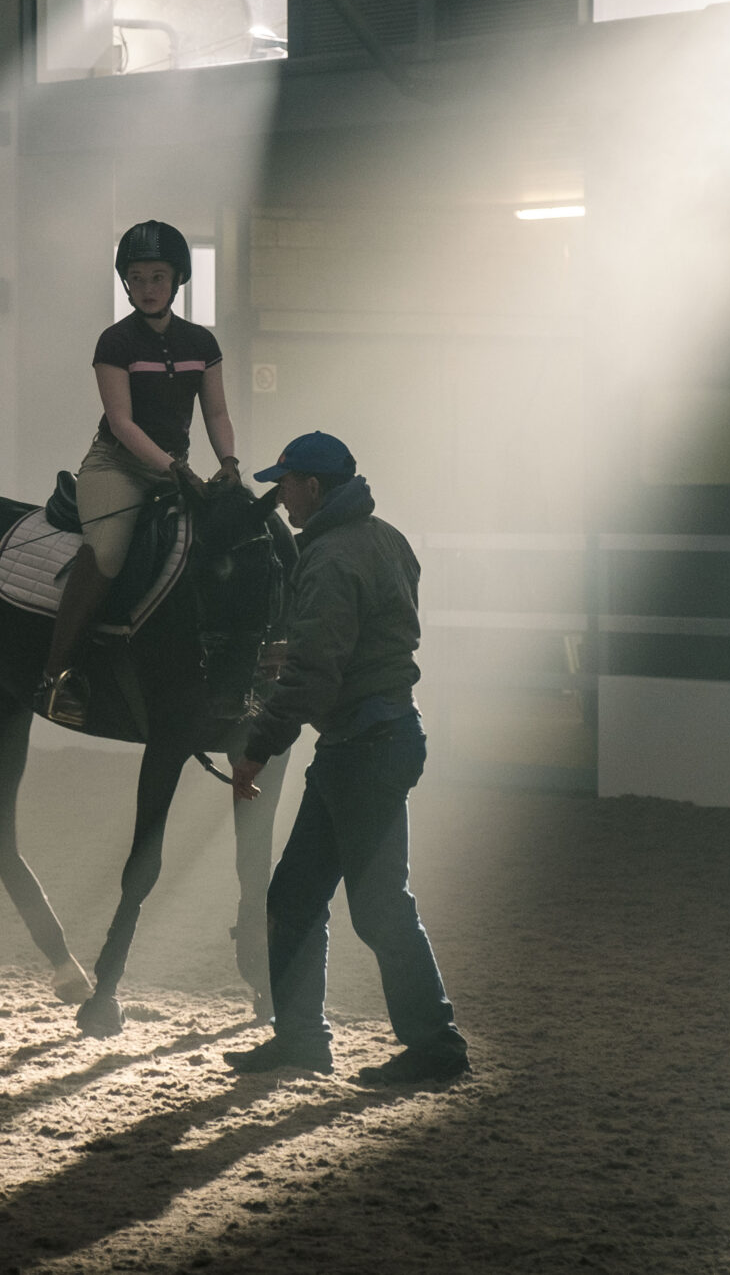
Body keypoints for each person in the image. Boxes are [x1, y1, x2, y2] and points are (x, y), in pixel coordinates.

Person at [223, 431, 468, 1087]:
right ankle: (304, 1039)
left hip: (361, 746)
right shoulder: (386, 538)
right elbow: (369, 639)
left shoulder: (329, 557)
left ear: (314, 487)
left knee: (371, 904)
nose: (280, 497)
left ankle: (434, 1047)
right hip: (376, 739)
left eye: (287, 484)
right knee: (301, 898)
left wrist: (257, 746)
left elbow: (315, 676)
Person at [38, 221, 240, 723]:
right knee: (107, 550)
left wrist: (230, 464)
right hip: (119, 466)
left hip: (176, 469)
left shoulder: (202, 342)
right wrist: (176, 468)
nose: (147, 288)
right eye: (137, 277)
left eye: (157, 276)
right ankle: (55, 673)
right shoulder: (115, 342)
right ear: (125, 283)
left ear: (177, 280)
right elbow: (123, 424)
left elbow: (215, 413)